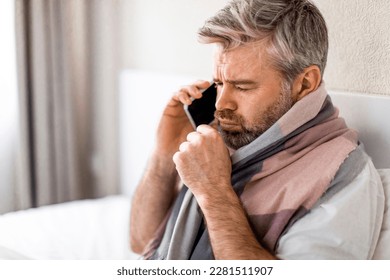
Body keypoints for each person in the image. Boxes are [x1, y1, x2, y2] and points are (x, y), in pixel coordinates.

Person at [129, 0, 384, 260]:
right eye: (219, 83)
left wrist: (214, 192)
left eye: (242, 87)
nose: (221, 104)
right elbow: (140, 241)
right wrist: (163, 155)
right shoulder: (221, 136)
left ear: (305, 84)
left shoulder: (342, 175)